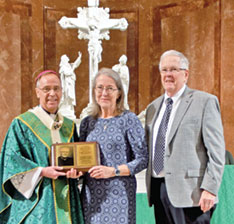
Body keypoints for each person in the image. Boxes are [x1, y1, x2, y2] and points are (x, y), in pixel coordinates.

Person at [0, 70, 84, 224]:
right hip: (38, 201)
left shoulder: (69, 126)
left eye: (56, 88)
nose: (52, 93)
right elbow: (11, 162)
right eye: (47, 89)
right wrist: (42, 171)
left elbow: (77, 161)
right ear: (37, 92)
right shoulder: (22, 124)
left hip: (67, 198)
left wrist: (77, 173)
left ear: (62, 92)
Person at [145, 50, 226, 224]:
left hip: (193, 194)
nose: (168, 74)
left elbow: (217, 152)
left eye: (174, 69)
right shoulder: (153, 107)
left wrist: (210, 189)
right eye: (164, 70)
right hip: (159, 190)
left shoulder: (204, 102)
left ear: (185, 74)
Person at [79, 67, 148, 224]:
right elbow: (81, 159)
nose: (104, 93)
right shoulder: (87, 123)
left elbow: (143, 158)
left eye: (110, 88)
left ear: (119, 93)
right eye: (100, 88)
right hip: (91, 197)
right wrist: (76, 172)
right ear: (94, 91)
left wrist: (113, 171)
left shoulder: (129, 120)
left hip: (119, 194)